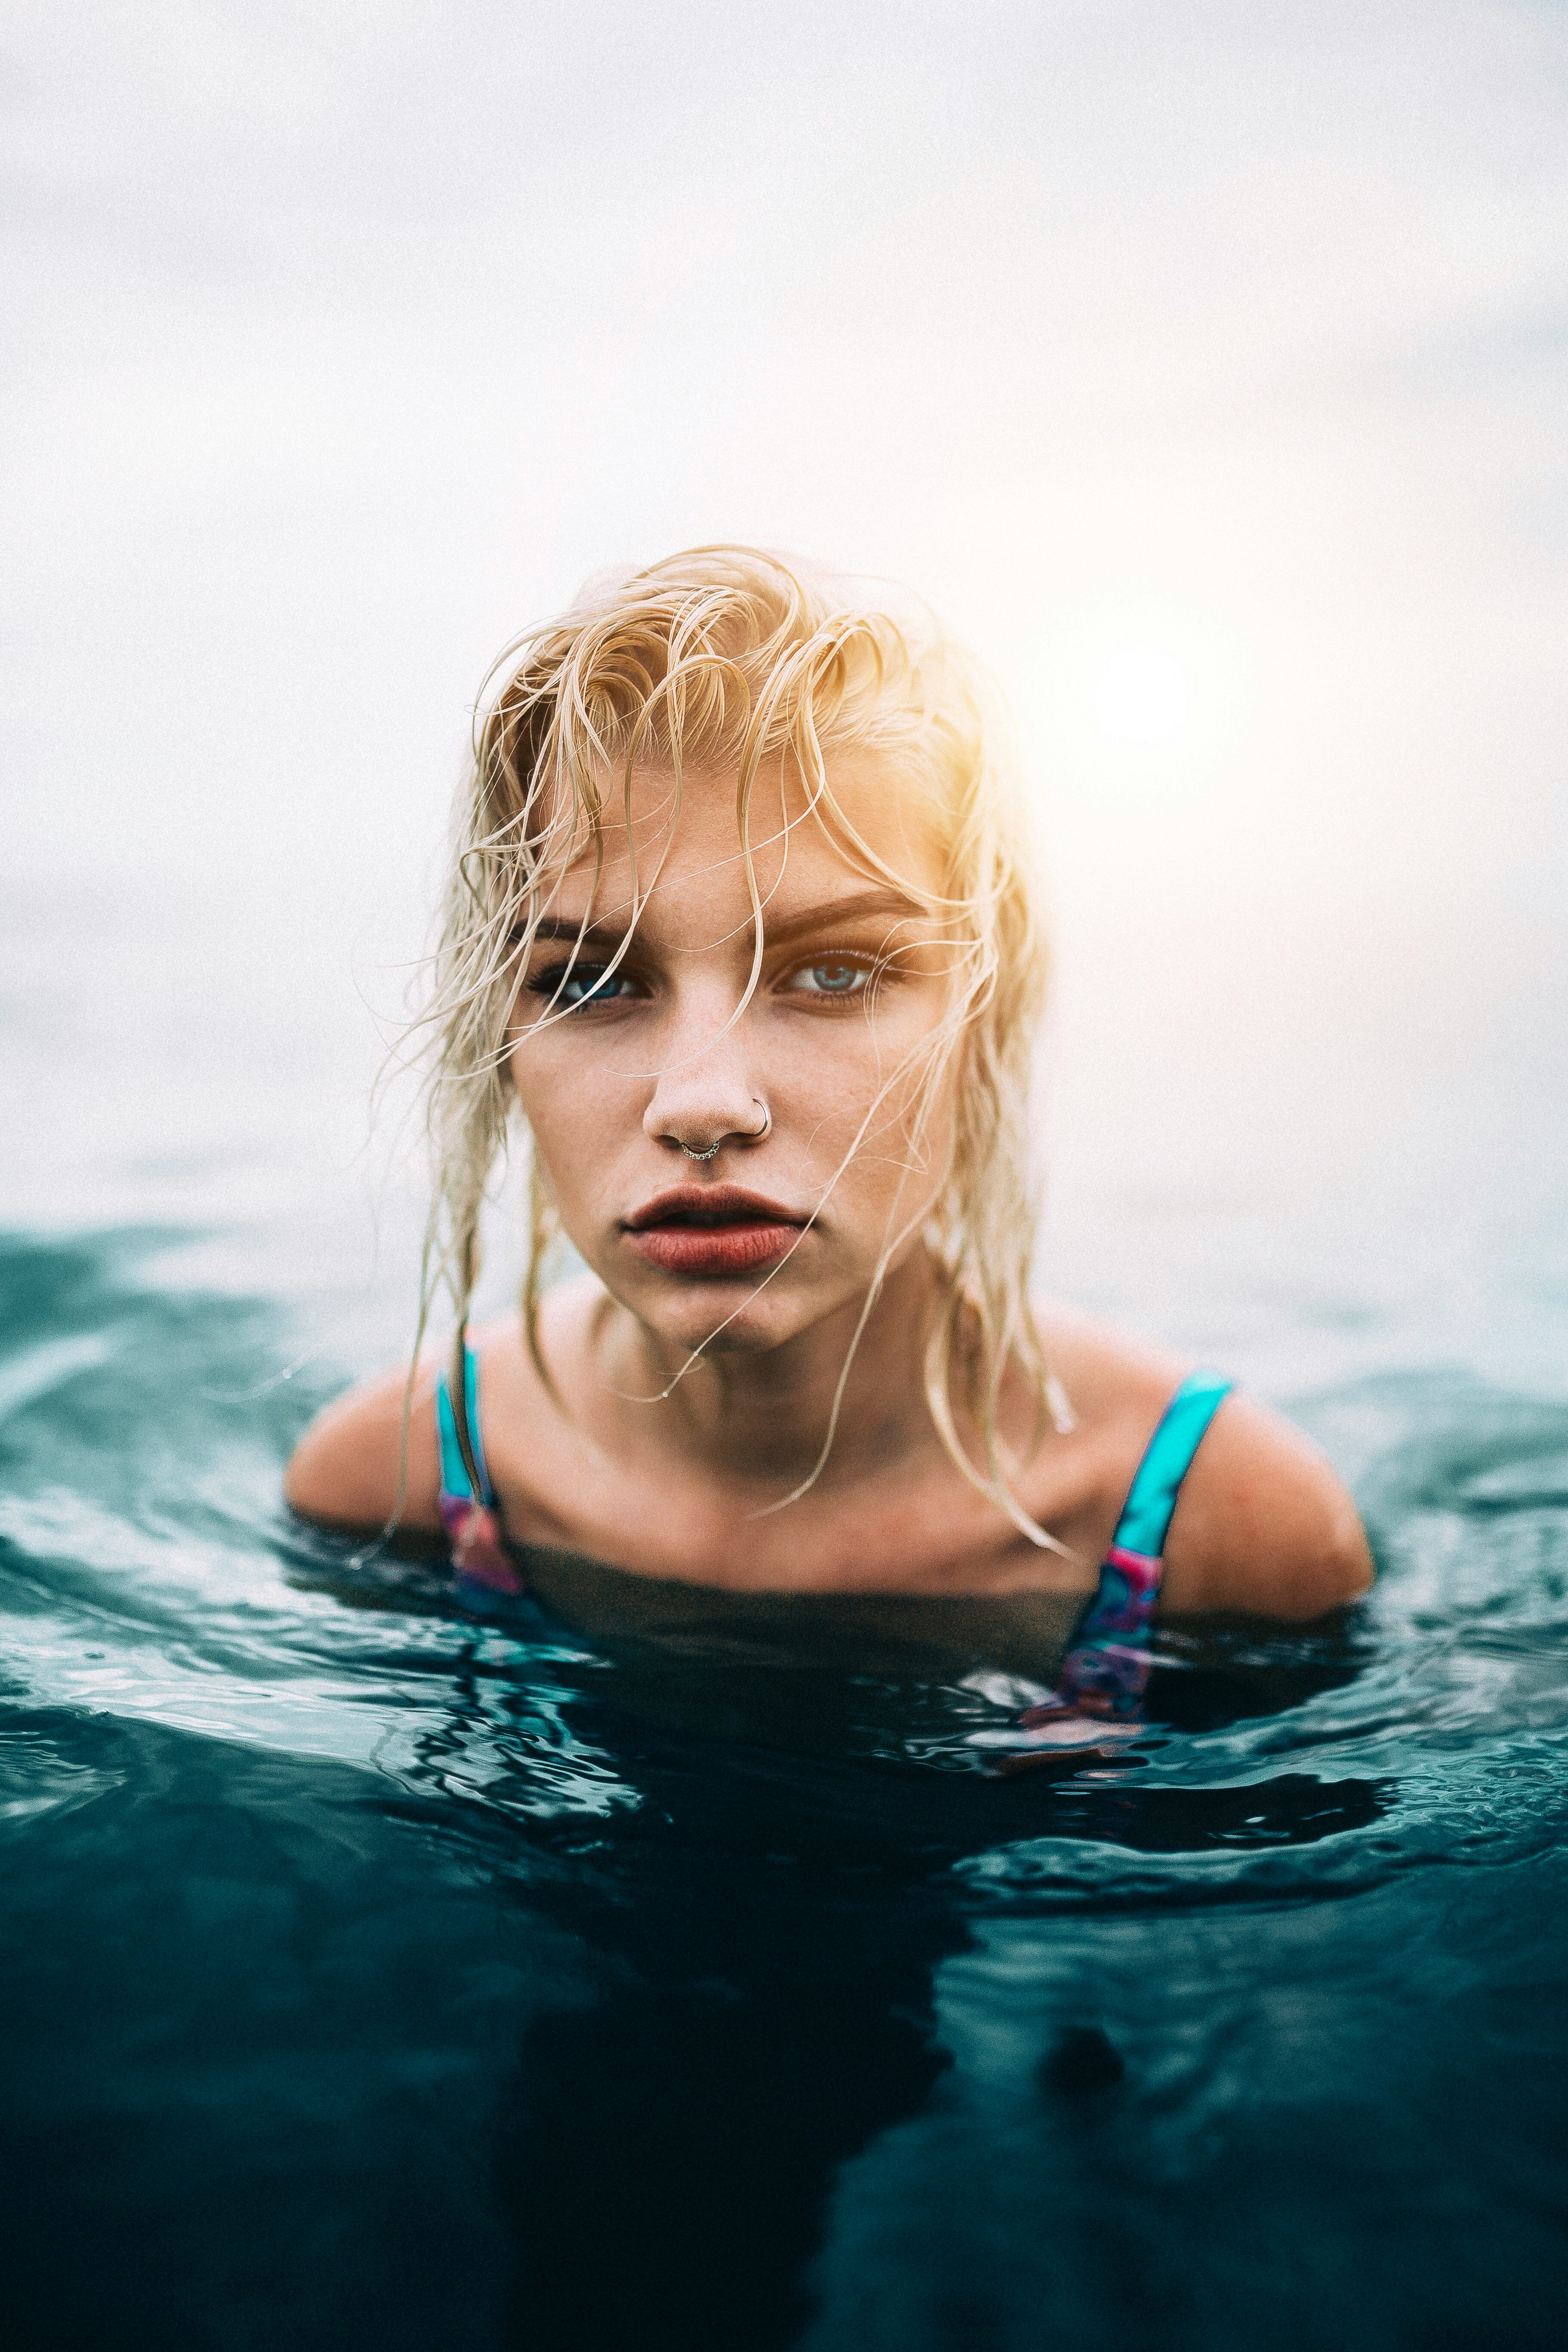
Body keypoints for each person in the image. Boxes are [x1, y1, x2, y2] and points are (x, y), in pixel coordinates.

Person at [285, 547, 1371, 1736]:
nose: (702, 1106)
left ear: (982, 1011)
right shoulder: (387, 1487)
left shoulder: (1227, 1529)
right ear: (501, 1027)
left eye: (836, 969)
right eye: (593, 981)